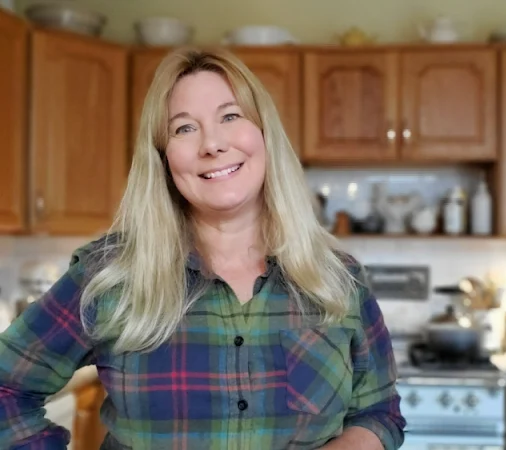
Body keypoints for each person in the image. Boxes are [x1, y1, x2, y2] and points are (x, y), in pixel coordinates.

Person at [0, 47, 406, 450]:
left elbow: (378, 412)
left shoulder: (339, 278)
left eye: (230, 116)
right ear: (163, 158)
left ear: (264, 134)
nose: (212, 144)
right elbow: (6, 389)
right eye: (184, 128)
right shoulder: (109, 274)